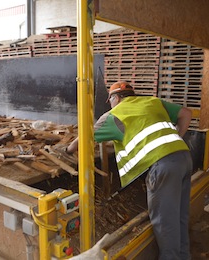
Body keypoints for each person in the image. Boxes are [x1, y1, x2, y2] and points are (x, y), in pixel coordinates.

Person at [66, 81, 193, 260]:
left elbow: (82, 139)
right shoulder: (153, 101)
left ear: (115, 98)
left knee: (165, 223)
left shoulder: (114, 115)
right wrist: (173, 140)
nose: (110, 104)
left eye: (110, 100)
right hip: (183, 158)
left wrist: (67, 150)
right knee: (180, 215)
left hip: (162, 166)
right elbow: (187, 113)